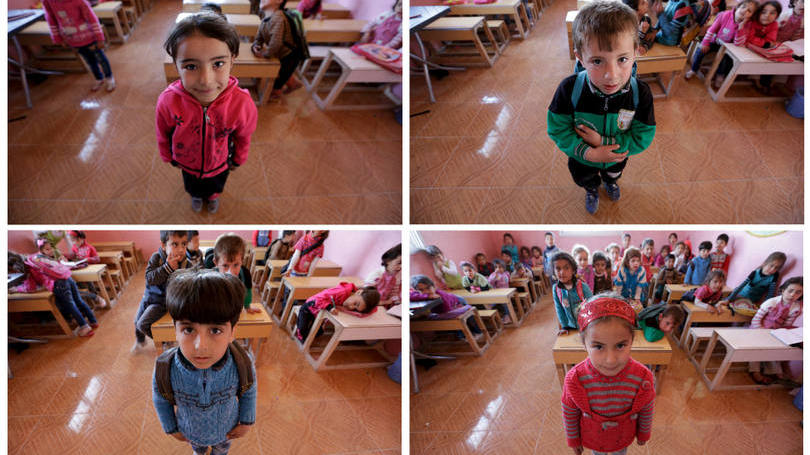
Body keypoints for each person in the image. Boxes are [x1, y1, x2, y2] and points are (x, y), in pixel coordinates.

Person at [548, 1, 656, 215]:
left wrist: (603, 144)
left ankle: (610, 183)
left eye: (622, 59)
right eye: (597, 61)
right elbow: (558, 129)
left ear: (636, 53)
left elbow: (643, 137)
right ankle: (591, 189)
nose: (612, 75)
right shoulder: (569, 89)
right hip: (582, 159)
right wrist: (590, 153)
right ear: (580, 57)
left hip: (617, 159)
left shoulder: (640, 93)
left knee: (613, 174)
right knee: (585, 178)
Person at [157, 12, 258, 213]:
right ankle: (196, 196)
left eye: (218, 64)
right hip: (186, 162)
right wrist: (167, 155)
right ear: (176, 66)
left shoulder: (242, 103)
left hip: (220, 163)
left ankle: (212, 197)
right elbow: (163, 133)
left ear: (232, 61)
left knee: (216, 186)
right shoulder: (168, 101)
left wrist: (239, 158)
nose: (205, 79)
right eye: (191, 66)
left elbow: (243, 136)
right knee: (192, 186)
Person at [152, 269, 256, 455]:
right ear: (175, 329)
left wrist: (247, 421)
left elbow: (249, 391)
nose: (200, 346)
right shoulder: (164, 368)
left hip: (226, 432)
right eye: (188, 330)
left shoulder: (242, 363)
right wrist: (171, 427)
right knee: (199, 451)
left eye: (215, 330)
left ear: (232, 332)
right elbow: (161, 400)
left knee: (221, 451)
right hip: (190, 432)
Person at [562, 295, 655, 455]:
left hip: (623, 437)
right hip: (594, 438)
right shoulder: (575, 380)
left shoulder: (643, 378)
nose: (610, 360)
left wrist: (643, 433)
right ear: (584, 344)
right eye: (598, 346)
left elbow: (646, 408)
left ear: (632, 340)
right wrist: (573, 439)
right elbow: (570, 412)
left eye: (620, 345)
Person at [11, 242, 99, 337]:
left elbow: (30, 287)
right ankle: (93, 321)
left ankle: (85, 328)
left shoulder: (29, 266)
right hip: (68, 277)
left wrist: (17, 289)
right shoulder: (36, 257)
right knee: (78, 300)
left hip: (58, 284)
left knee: (71, 306)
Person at [133, 231, 193, 352]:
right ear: (164, 245)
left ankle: (165, 341)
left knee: (142, 324)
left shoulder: (187, 264)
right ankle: (140, 341)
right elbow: (149, 278)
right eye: (175, 244)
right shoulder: (156, 258)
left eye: (184, 244)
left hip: (161, 303)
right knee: (136, 321)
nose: (181, 249)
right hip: (148, 297)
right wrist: (167, 268)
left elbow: (188, 286)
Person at [42, 0, 115, 91]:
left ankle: (109, 78)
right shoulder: (48, 2)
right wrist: (58, 39)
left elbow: (92, 18)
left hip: (91, 39)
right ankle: (99, 79)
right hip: (74, 40)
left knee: (101, 59)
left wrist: (100, 39)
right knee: (90, 62)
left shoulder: (79, 1)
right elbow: (51, 20)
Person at [748, 277, 803, 385]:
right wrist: (763, 332)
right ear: (783, 290)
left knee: (776, 349)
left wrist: (778, 335)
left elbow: (787, 325)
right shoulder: (771, 302)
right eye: (790, 291)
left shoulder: (795, 308)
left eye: (798, 292)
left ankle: (775, 372)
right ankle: (755, 371)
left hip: (775, 332)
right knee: (757, 348)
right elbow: (756, 320)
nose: (793, 295)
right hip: (758, 329)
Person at [686, 0, 755, 80]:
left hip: (728, 48)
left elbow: (737, 44)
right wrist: (705, 43)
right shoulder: (724, 15)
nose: (745, 11)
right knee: (700, 51)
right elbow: (711, 30)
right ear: (737, 7)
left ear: (751, 16)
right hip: (715, 41)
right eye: (743, 7)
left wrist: (741, 28)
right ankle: (694, 69)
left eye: (749, 11)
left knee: (725, 59)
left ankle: (719, 75)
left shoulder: (747, 25)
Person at [252, 0, 306, 100]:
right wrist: (256, 44)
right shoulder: (266, 16)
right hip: (283, 52)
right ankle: (293, 83)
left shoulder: (279, 18)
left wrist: (265, 54)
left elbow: (276, 43)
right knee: (283, 72)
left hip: (290, 54)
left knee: (278, 80)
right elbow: (259, 36)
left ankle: (277, 93)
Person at [295, 282, 380, 341]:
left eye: (355, 308)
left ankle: (307, 336)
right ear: (358, 292)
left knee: (319, 332)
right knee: (302, 329)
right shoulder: (341, 292)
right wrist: (329, 307)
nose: (350, 307)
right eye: (355, 303)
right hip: (309, 307)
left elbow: (373, 310)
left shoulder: (358, 299)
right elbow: (316, 299)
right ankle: (301, 338)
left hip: (319, 314)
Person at [205, 233, 258, 313]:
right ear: (216, 262)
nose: (231, 272)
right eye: (225, 265)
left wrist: (247, 307)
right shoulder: (210, 277)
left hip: (234, 310)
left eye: (236, 265)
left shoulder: (245, 274)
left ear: (242, 260)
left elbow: (247, 291)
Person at [552, 252, 593, 335]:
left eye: (566, 268)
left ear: (573, 270)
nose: (562, 272)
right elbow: (559, 309)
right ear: (553, 271)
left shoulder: (583, 287)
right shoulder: (556, 289)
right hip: (570, 328)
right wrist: (564, 326)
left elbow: (592, 307)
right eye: (558, 268)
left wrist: (591, 325)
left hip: (586, 326)